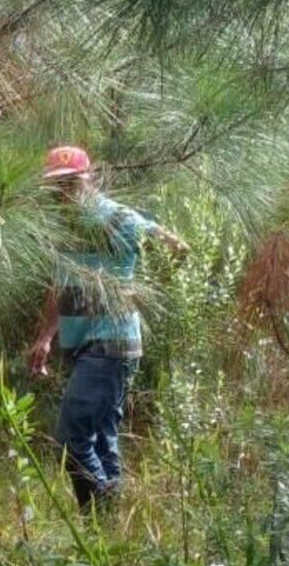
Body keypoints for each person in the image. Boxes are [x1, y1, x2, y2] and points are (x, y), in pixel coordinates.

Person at [27, 145, 188, 510]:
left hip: (111, 342)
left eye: (71, 184)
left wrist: (142, 294)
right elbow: (58, 284)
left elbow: (178, 249)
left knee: (72, 438)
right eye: (57, 186)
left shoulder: (119, 218)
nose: (63, 193)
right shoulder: (63, 227)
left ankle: (98, 510)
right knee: (101, 438)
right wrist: (45, 337)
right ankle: (109, 535)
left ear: (89, 180)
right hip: (83, 342)